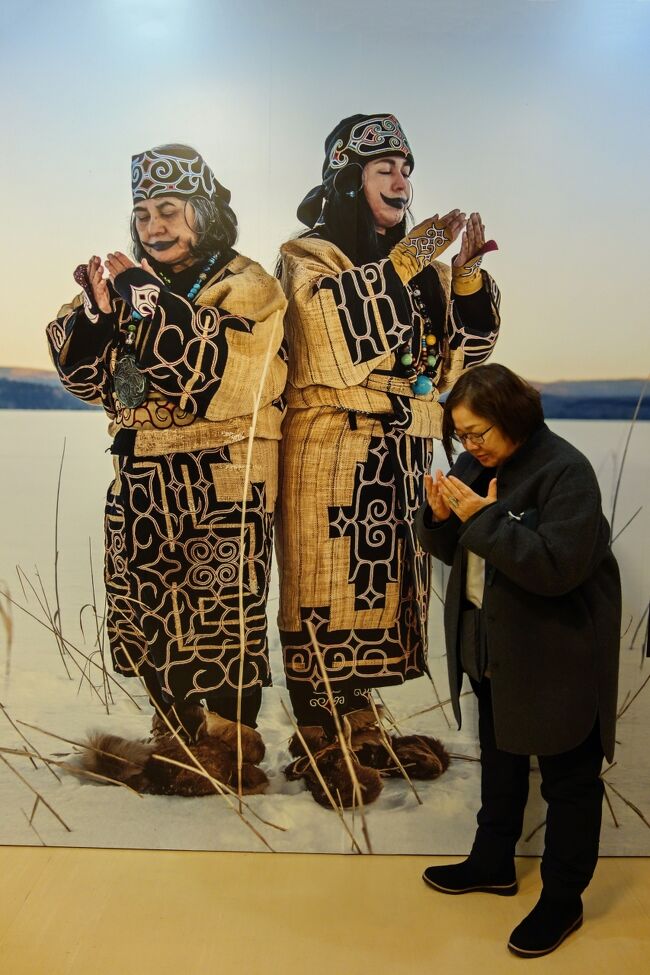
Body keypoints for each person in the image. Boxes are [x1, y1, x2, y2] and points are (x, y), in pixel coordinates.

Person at [46, 144, 287, 795]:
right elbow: (80, 373)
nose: (155, 226)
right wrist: (99, 315)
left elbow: (226, 376)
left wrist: (148, 305)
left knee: (218, 615)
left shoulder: (249, 283)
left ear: (202, 213)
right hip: (141, 481)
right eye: (145, 213)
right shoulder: (127, 282)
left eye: (171, 211)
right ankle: (174, 731)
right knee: (151, 614)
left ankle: (226, 743)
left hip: (221, 481)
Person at [276, 114, 501, 805]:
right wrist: (411, 260)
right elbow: (324, 335)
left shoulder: (422, 269)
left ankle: (360, 722)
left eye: (406, 168)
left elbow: (457, 358)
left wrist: (461, 280)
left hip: (400, 451)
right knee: (325, 585)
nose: (402, 179)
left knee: (379, 593)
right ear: (349, 182)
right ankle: (319, 735)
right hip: (330, 446)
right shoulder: (309, 255)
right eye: (384, 169)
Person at [415, 363, 621, 958]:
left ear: (513, 417)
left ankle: (563, 900)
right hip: (489, 644)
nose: (469, 446)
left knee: (570, 781)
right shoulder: (477, 464)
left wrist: (482, 516)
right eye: (461, 435)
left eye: (478, 433)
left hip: (557, 652)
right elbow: (455, 549)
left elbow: (555, 569)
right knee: (500, 759)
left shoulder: (566, 471)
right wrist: (437, 517)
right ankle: (492, 862)